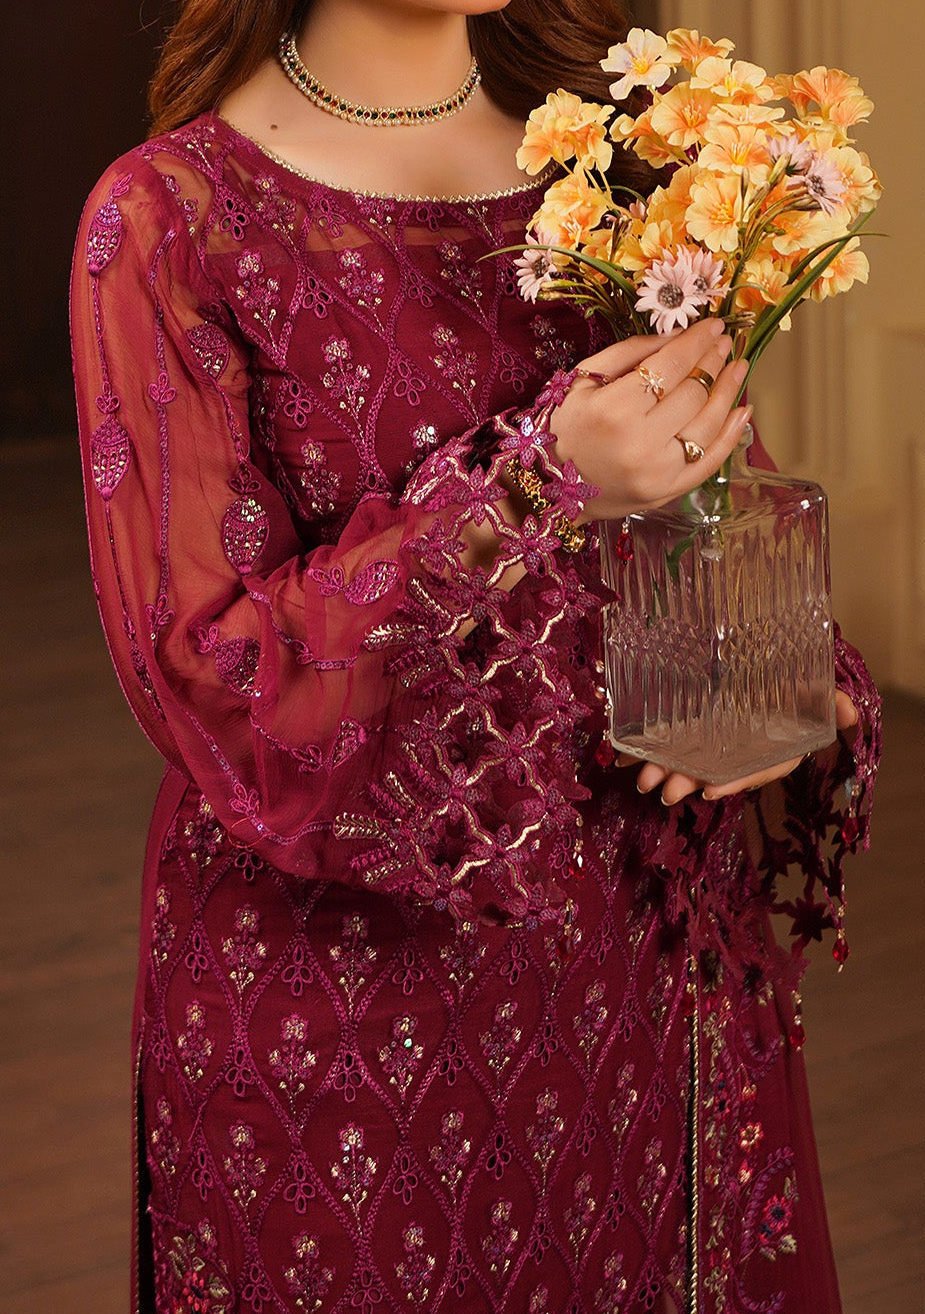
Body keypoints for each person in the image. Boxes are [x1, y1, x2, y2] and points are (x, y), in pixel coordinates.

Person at [68, 1, 881, 1310]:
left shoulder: (609, 168)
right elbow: (209, 670)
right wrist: (539, 482)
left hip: (631, 957)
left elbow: (709, 492)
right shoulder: (171, 217)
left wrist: (758, 680)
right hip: (344, 1003)